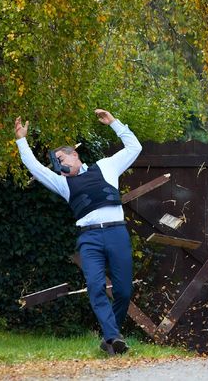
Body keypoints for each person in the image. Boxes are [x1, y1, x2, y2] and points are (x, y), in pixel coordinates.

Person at [14, 109, 142, 355]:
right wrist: (21, 140)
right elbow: (35, 168)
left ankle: (109, 339)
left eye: (61, 159)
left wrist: (114, 122)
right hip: (90, 238)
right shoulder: (63, 183)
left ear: (75, 155)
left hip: (117, 233)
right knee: (95, 287)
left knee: (124, 291)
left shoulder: (106, 167)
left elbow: (134, 148)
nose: (59, 165)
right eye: (56, 162)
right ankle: (113, 337)